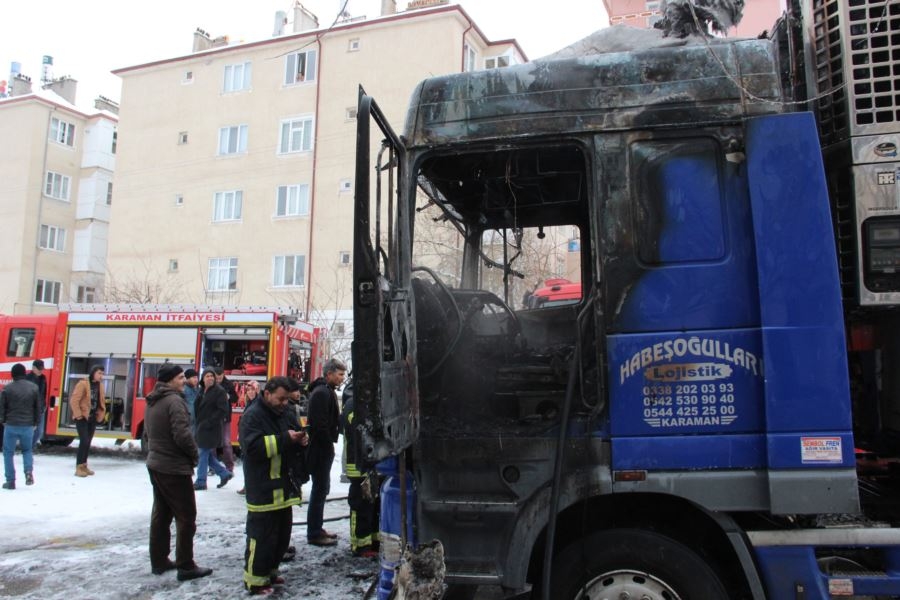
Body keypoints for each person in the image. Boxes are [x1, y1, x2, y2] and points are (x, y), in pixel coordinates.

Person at [240, 376, 309, 595]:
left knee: (280, 538)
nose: (284, 403)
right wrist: (285, 439)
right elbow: (252, 449)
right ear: (267, 393)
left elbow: (292, 435)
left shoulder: (284, 412)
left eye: (287, 400)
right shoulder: (252, 416)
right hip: (263, 487)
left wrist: (301, 439)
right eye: (280, 399)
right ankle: (254, 580)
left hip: (282, 487)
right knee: (261, 537)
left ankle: (269, 571)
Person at [144, 364, 212, 582]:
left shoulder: (154, 399)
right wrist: (194, 456)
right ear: (171, 380)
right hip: (173, 467)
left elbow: (148, 432)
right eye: (181, 377)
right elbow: (182, 435)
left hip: (156, 464)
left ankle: (159, 560)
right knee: (186, 517)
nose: (184, 380)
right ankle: (186, 565)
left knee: (161, 515)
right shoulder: (174, 401)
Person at [306, 357, 346, 547]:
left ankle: (317, 528)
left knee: (322, 489)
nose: (341, 379)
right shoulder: (322, 393)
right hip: (320, 448)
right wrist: (328, 441)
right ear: (329, 374)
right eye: (339, 375)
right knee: (319, 489)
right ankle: (314, 532)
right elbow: (320, 424)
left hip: (323, 447)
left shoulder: (325, 391)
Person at [341, 379, 379, 558]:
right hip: (358, 466)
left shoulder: (367, 403)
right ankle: (359, 544)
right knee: (360, 505)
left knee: (373, 503)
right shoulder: (352, 404)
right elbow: (356, 427)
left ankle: (373, 539)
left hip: (371, 463)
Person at [0, 363, 41, 489]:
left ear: (12, 374)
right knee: (27, 450)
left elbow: (2, 408)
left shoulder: (7, 388)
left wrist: (3, 421)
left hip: (11, 425)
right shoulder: (34, 388)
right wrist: (35, 423)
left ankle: (10, 480)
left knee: (8, 453)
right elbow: (37, 408)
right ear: (24, 373)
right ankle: (28, 472)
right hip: (28, 425)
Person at [194, 368, 233, 490]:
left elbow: (223, 410)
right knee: (206, 454)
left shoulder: (219, 391)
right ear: (203, 378)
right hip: (201, 427)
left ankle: (201, 481)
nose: (210, 378)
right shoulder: (201, 391)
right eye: (207, 376)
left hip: (211, 428)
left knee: (203, 453)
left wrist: (209, 422)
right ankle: (224, 473)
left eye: (212, 376)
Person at [69, 365, 107, 477]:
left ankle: (84, 465)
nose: (101, 376)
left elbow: (101, 401)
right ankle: (79, 467)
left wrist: (101, 413)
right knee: (84, 440)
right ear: (93, 372)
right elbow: (74, 400)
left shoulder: (100, 386)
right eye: (99, 373)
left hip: (93, 417)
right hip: (83, 417)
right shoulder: (83, 384)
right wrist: (78, 415)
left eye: (103, 374)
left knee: (88, 441)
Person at [235, 380, 260, 497]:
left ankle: (250, 486)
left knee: (250, 465)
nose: (250, 392)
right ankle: (248, 485)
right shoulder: (250, 403)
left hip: (251, 439)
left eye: (252, 390)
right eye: (248, 390)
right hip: (246, 438)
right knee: (247, 464)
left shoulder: (257, 405)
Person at [214, 367, 238, 473]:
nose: (218, 379)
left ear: (223, 375)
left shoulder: (228, 384)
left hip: (224, 417)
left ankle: (229, 467)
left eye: (220, 377)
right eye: (217, 377)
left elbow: (235, 398)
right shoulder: (210, 383)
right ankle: (213, 467)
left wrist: (229, 396)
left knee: (226, 443)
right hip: (213, 417)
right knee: (212, 443)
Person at [26, 359, 47, 450]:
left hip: (40, 408)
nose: (41, 371)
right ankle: (28, 448)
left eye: (42, 369)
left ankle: (30, 447)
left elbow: (43, 393)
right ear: (33, 368)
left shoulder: (43, 378)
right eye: (39, 369)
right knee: (30, 430)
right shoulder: (27, 378)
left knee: (39, 431)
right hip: (30, 409)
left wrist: (44, 404)